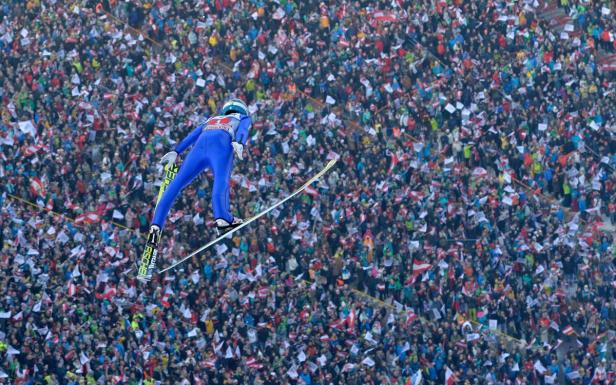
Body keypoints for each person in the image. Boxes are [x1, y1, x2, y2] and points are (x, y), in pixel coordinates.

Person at [138, 98, 251, 281]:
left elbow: (192, 135)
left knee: (176, 184)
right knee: (221, 178)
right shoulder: (242, 118)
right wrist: (240, 142)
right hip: (221, 145)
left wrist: (177, 151)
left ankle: (156, 223)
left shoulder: (212, 119)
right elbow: (244, 129)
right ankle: (222, 217)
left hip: (199, 148)